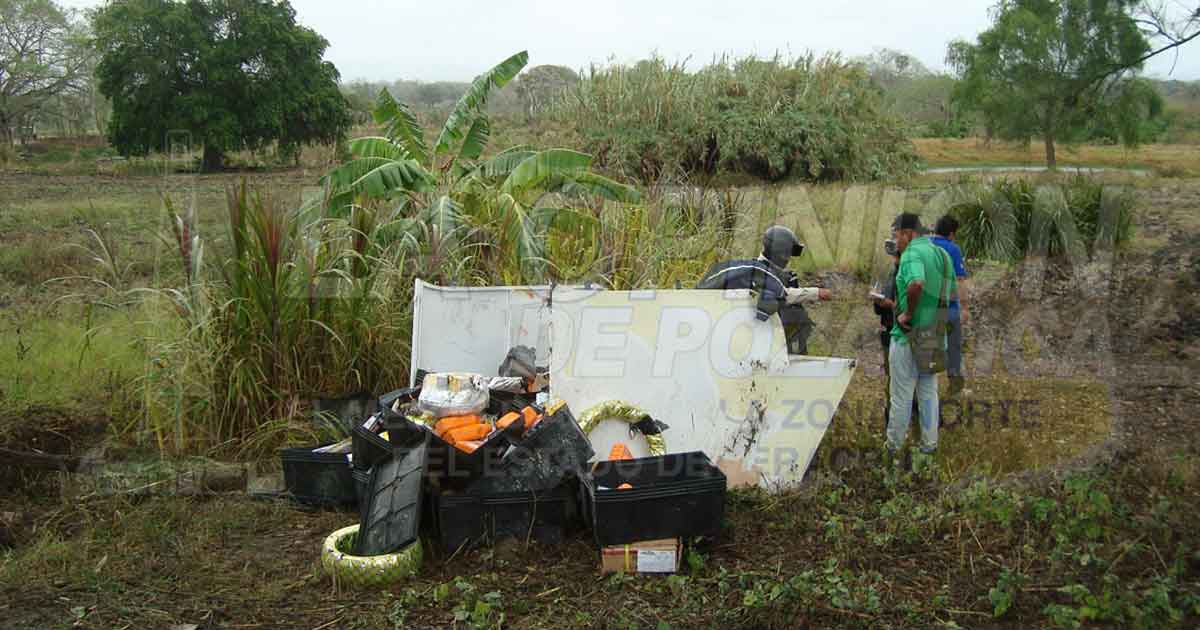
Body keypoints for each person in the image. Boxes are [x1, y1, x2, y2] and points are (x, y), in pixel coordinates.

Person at [697, 225, 832, 354]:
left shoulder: (750, 270)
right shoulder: (760, 273)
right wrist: (817, 293)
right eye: (789, 253)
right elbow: (785, 295)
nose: (789, 258)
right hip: (748, 338)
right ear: (782, 254)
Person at [886, 213, 955, 457]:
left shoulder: (912, 253)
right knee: (928, 394)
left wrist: (908, 314)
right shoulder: (943, 255)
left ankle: (893, 450)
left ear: (907, 233)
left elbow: (916, 283)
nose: (896, 242)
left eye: (897, 236)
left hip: (908, 336)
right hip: (934, 333)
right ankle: (929, 447)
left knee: (901, 396)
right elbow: (952, 294)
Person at [930, 215, 969, 396]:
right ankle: (954, 385)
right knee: (953, 346)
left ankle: (925, 385)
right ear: (952, 234)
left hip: (926, 306)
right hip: (948, 306)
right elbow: (960, 280)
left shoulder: (925, 245)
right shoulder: (953, 249)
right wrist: (965, 307)